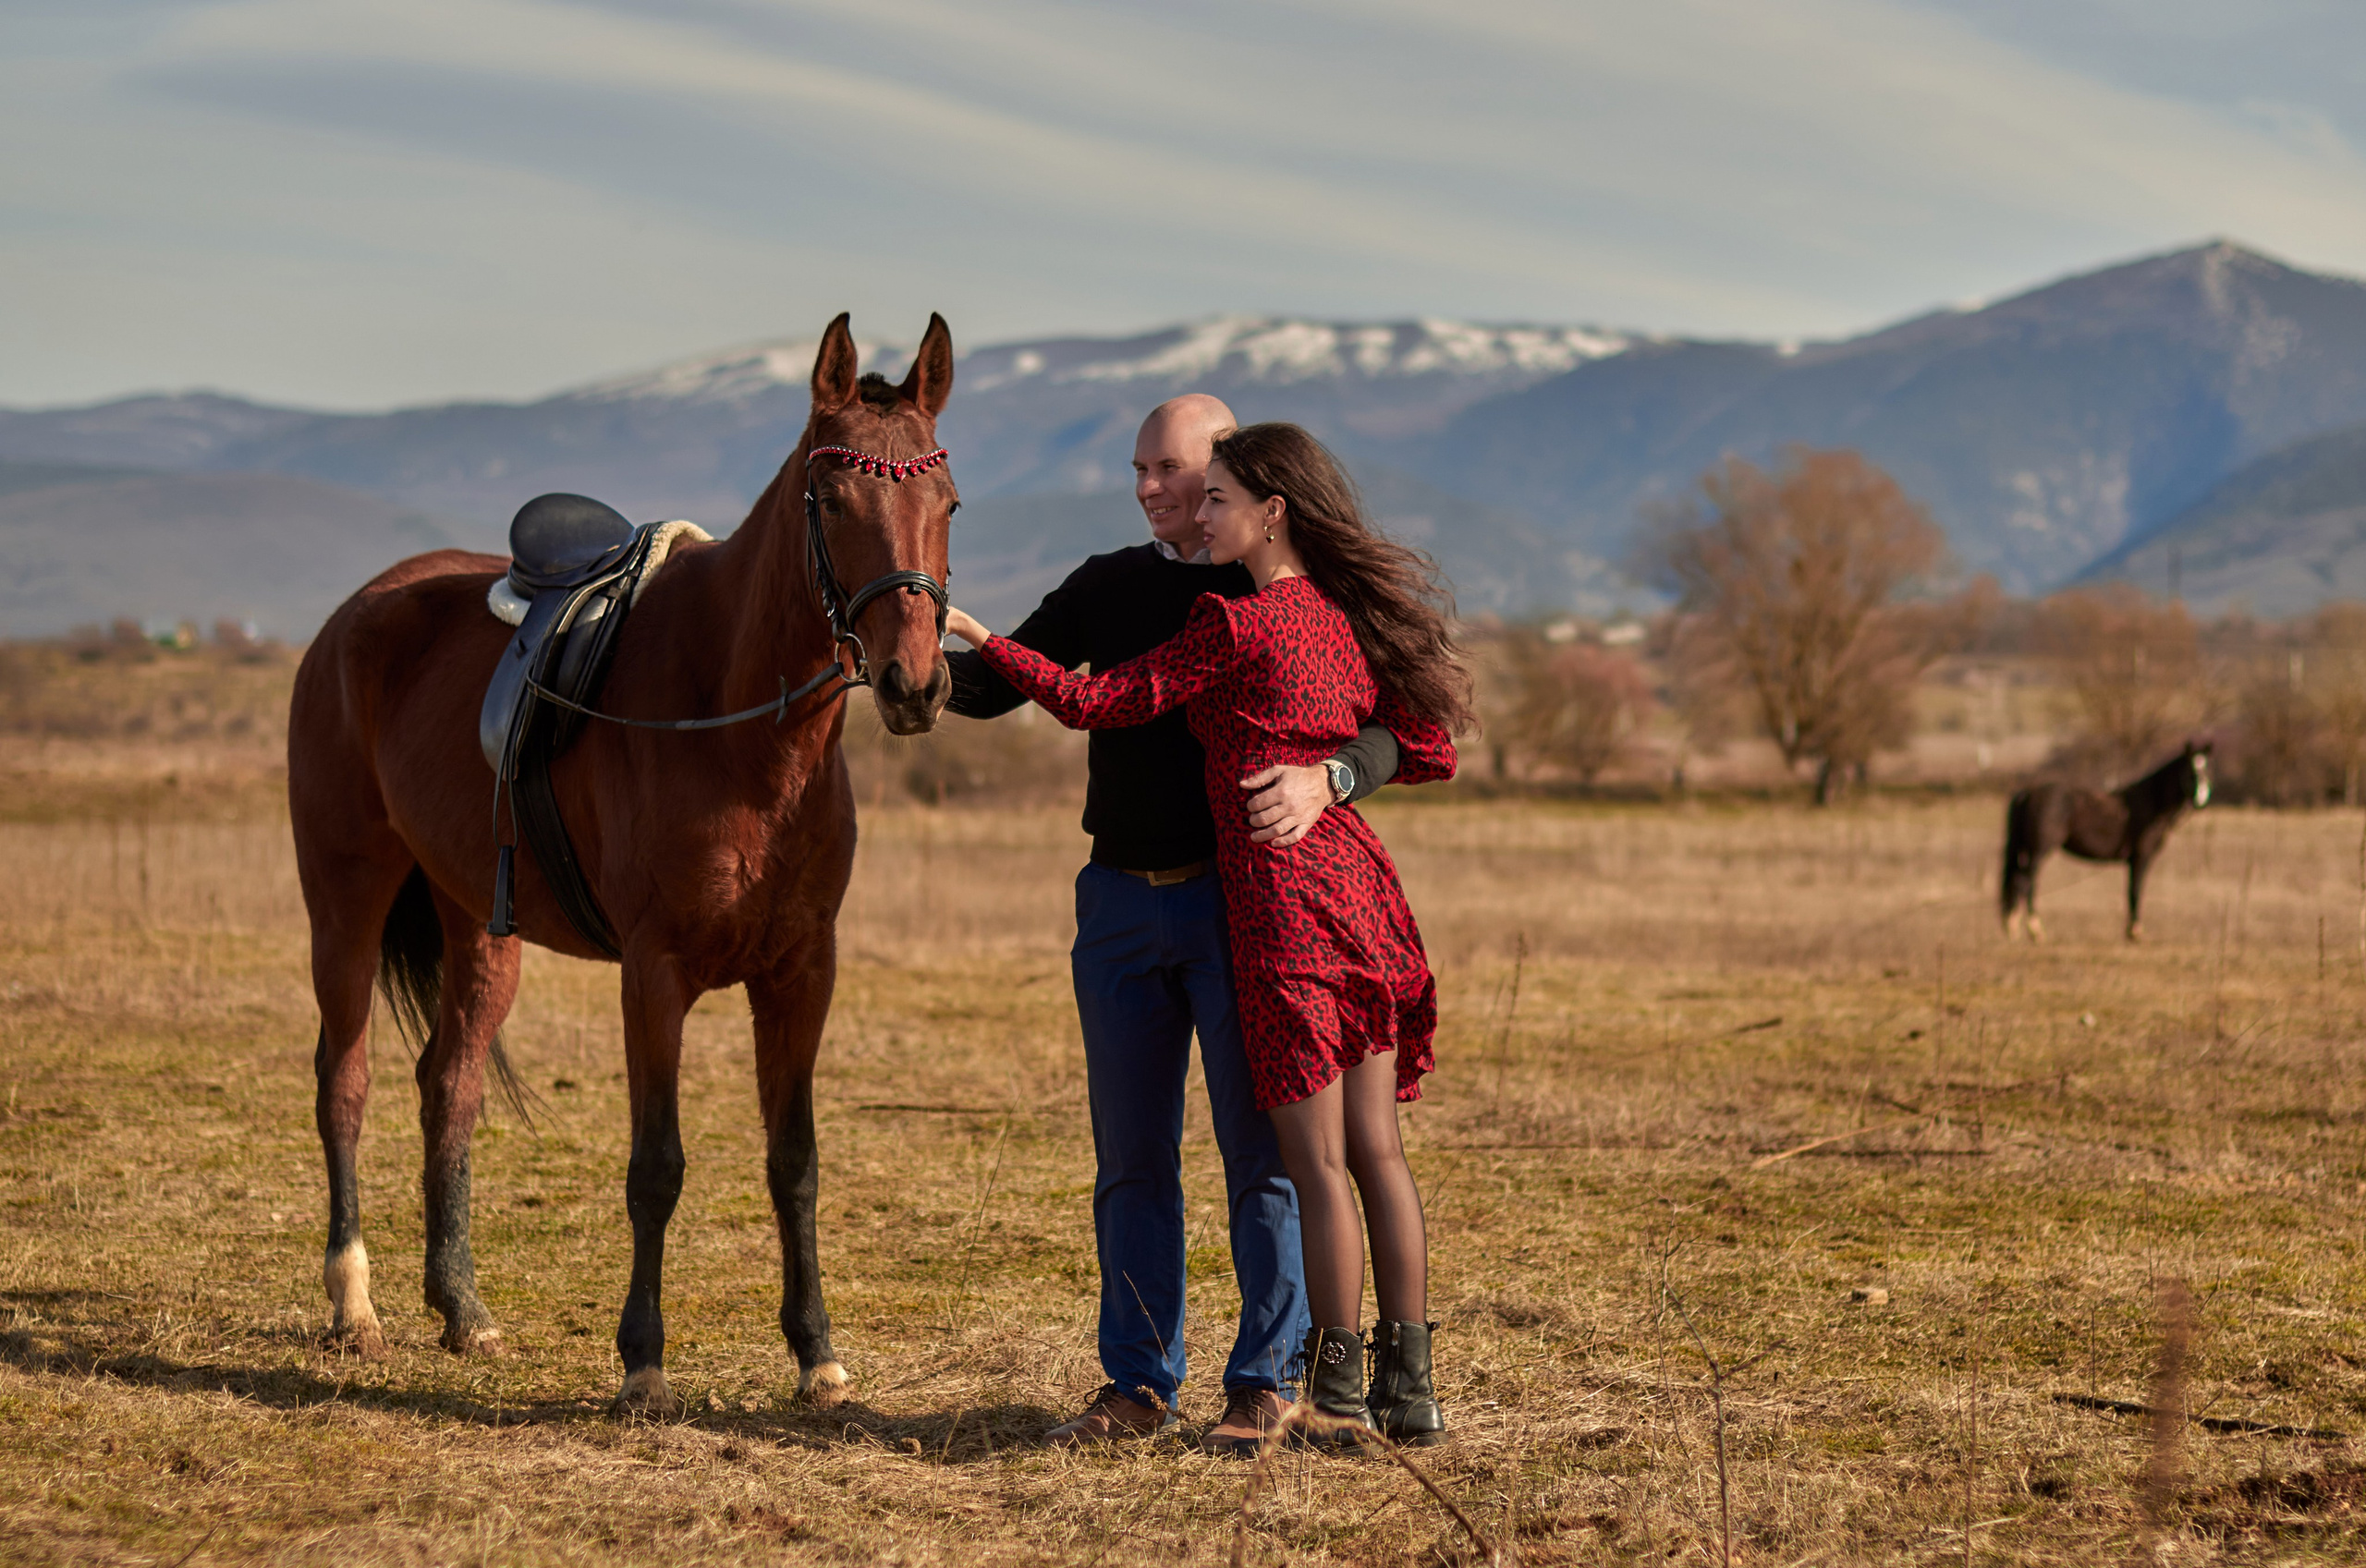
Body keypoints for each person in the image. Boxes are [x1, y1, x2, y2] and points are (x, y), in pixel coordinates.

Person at [945, 421, 1469, 1450]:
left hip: (1264, 905)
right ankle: (1379, 1389)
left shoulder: (1241, 617)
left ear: (1257, 501)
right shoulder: (1291, 604)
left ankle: (1302, 1388)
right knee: (1341, 1152)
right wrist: (910, 653)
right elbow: (1003, 692)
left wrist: (1332, 777)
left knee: (1291, 1161)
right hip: (1314, 897)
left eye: (1188, 477)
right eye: (1143, 469)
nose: (1153, 488)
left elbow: (1101, 698)